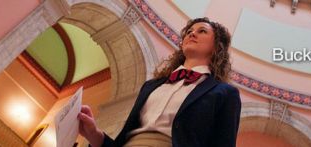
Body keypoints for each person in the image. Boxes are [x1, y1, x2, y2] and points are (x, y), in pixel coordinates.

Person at [77, 17, 241, 147]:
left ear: (216, 47)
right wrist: (94, 134)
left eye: (202, 31)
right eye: (189, 31)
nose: (192, 34)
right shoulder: (151, 86)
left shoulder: (225, 93)